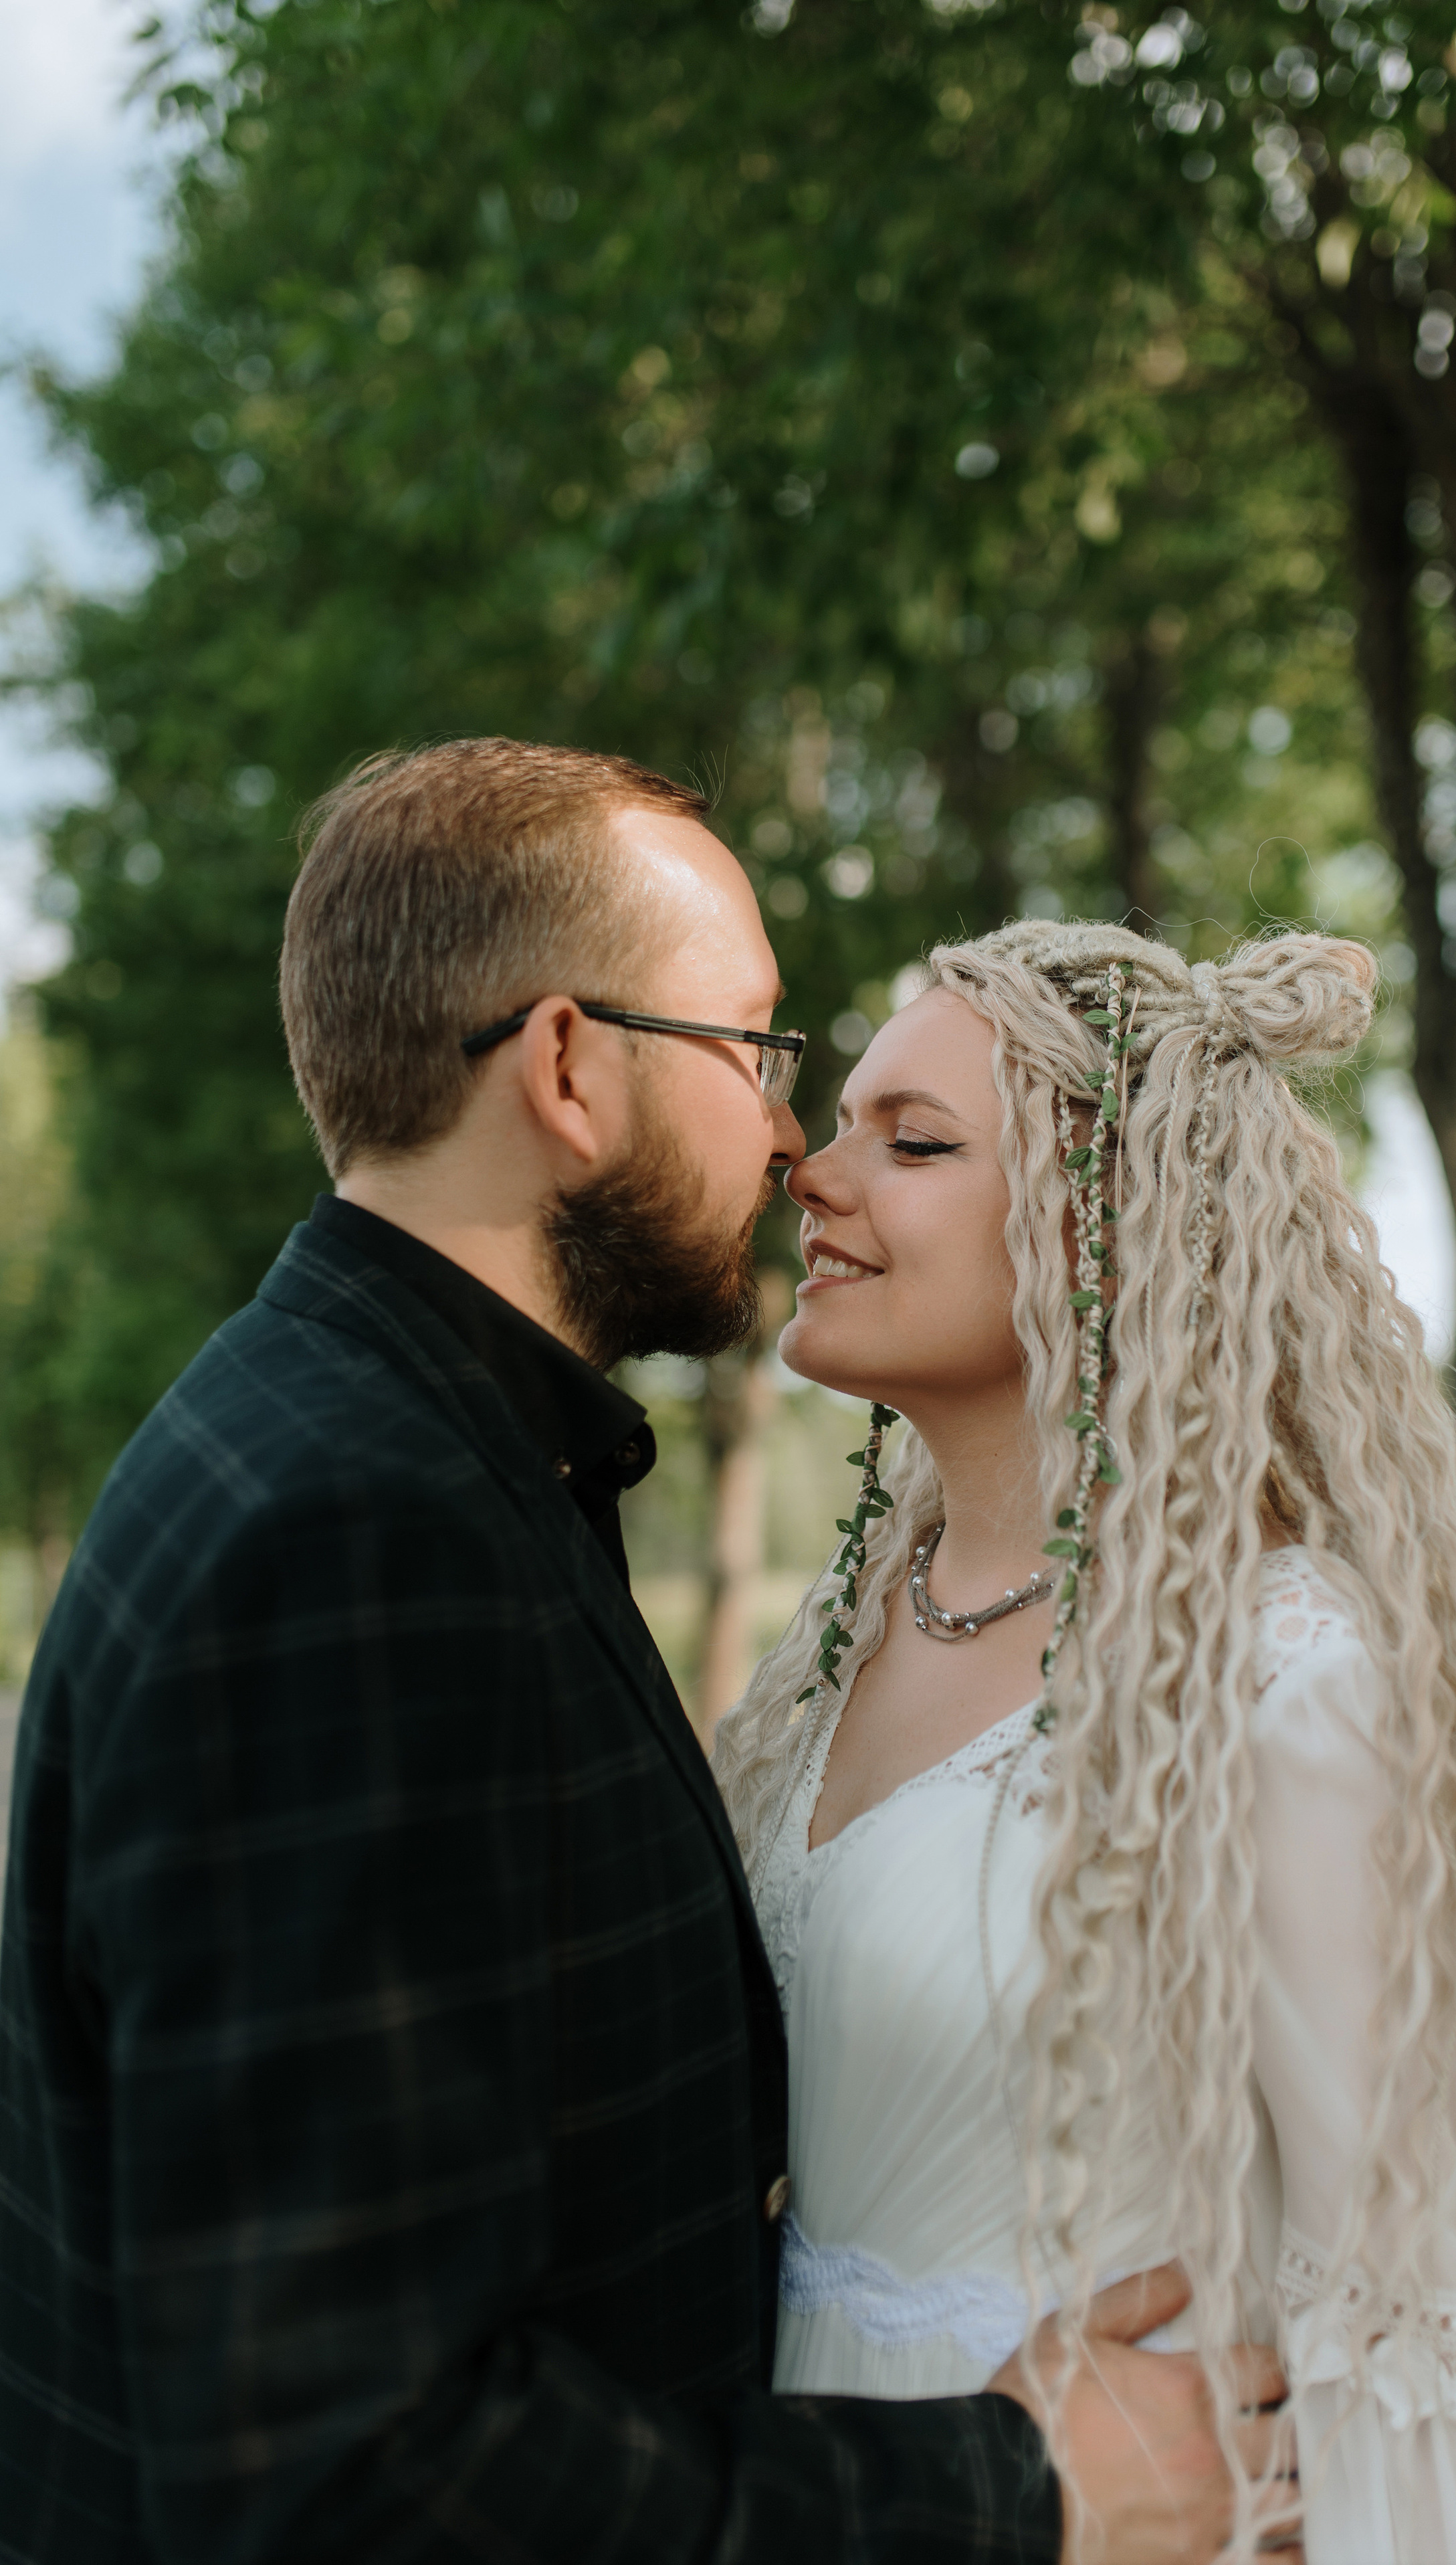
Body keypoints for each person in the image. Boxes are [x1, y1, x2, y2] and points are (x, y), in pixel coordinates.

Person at [0, 741, 1298, 2565]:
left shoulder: (428, 1453)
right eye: (757, 1048)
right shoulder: (354, 1534)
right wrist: (1020, 2495)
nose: (790, 1138)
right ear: (566, 1065)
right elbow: (356, 2482)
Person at [714, 919, 1456, 2565]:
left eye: (908, 1141)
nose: (808, 1174)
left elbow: (1416, 2307)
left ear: (1100, 1226)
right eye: (837, 1123)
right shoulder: (832, 1647)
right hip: (836, 2493)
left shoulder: (1275, 1672)